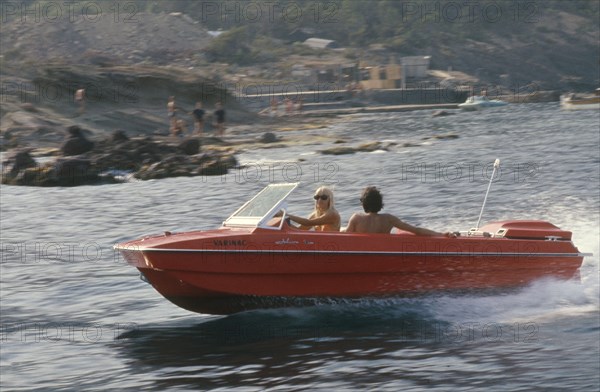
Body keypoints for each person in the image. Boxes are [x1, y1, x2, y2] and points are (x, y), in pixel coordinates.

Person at [345, 186, 451, 236]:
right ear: (380, 203)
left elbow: (345, 238)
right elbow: (416, 230)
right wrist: (441, 234)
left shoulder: (356, 218)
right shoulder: (389, 219)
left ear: (364, 203)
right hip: (383, 250)